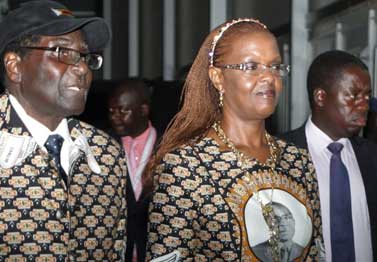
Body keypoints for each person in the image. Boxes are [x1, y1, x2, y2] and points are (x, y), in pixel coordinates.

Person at [0, 1, 127, 260]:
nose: (82, 69)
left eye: (85, 56)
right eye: (63, 53)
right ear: (15, 66)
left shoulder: (106, 155)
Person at [145, 18, 324, 261]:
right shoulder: (186, 166)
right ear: (218, 78)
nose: (268, 77)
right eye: (251, 67)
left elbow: (315, 253)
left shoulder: (298, 161)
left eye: (275, 66)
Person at [280, 50, 377, 262]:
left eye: (367, 96)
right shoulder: (280, 156)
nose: (364, 106)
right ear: (320, 97)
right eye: (353, 95)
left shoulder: (371, 157)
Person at [108, 79, 157, 262]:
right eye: (112, 111)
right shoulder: (102, 147)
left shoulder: (170, 147)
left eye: (122, 111)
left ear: (143, 110)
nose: (115, 117)